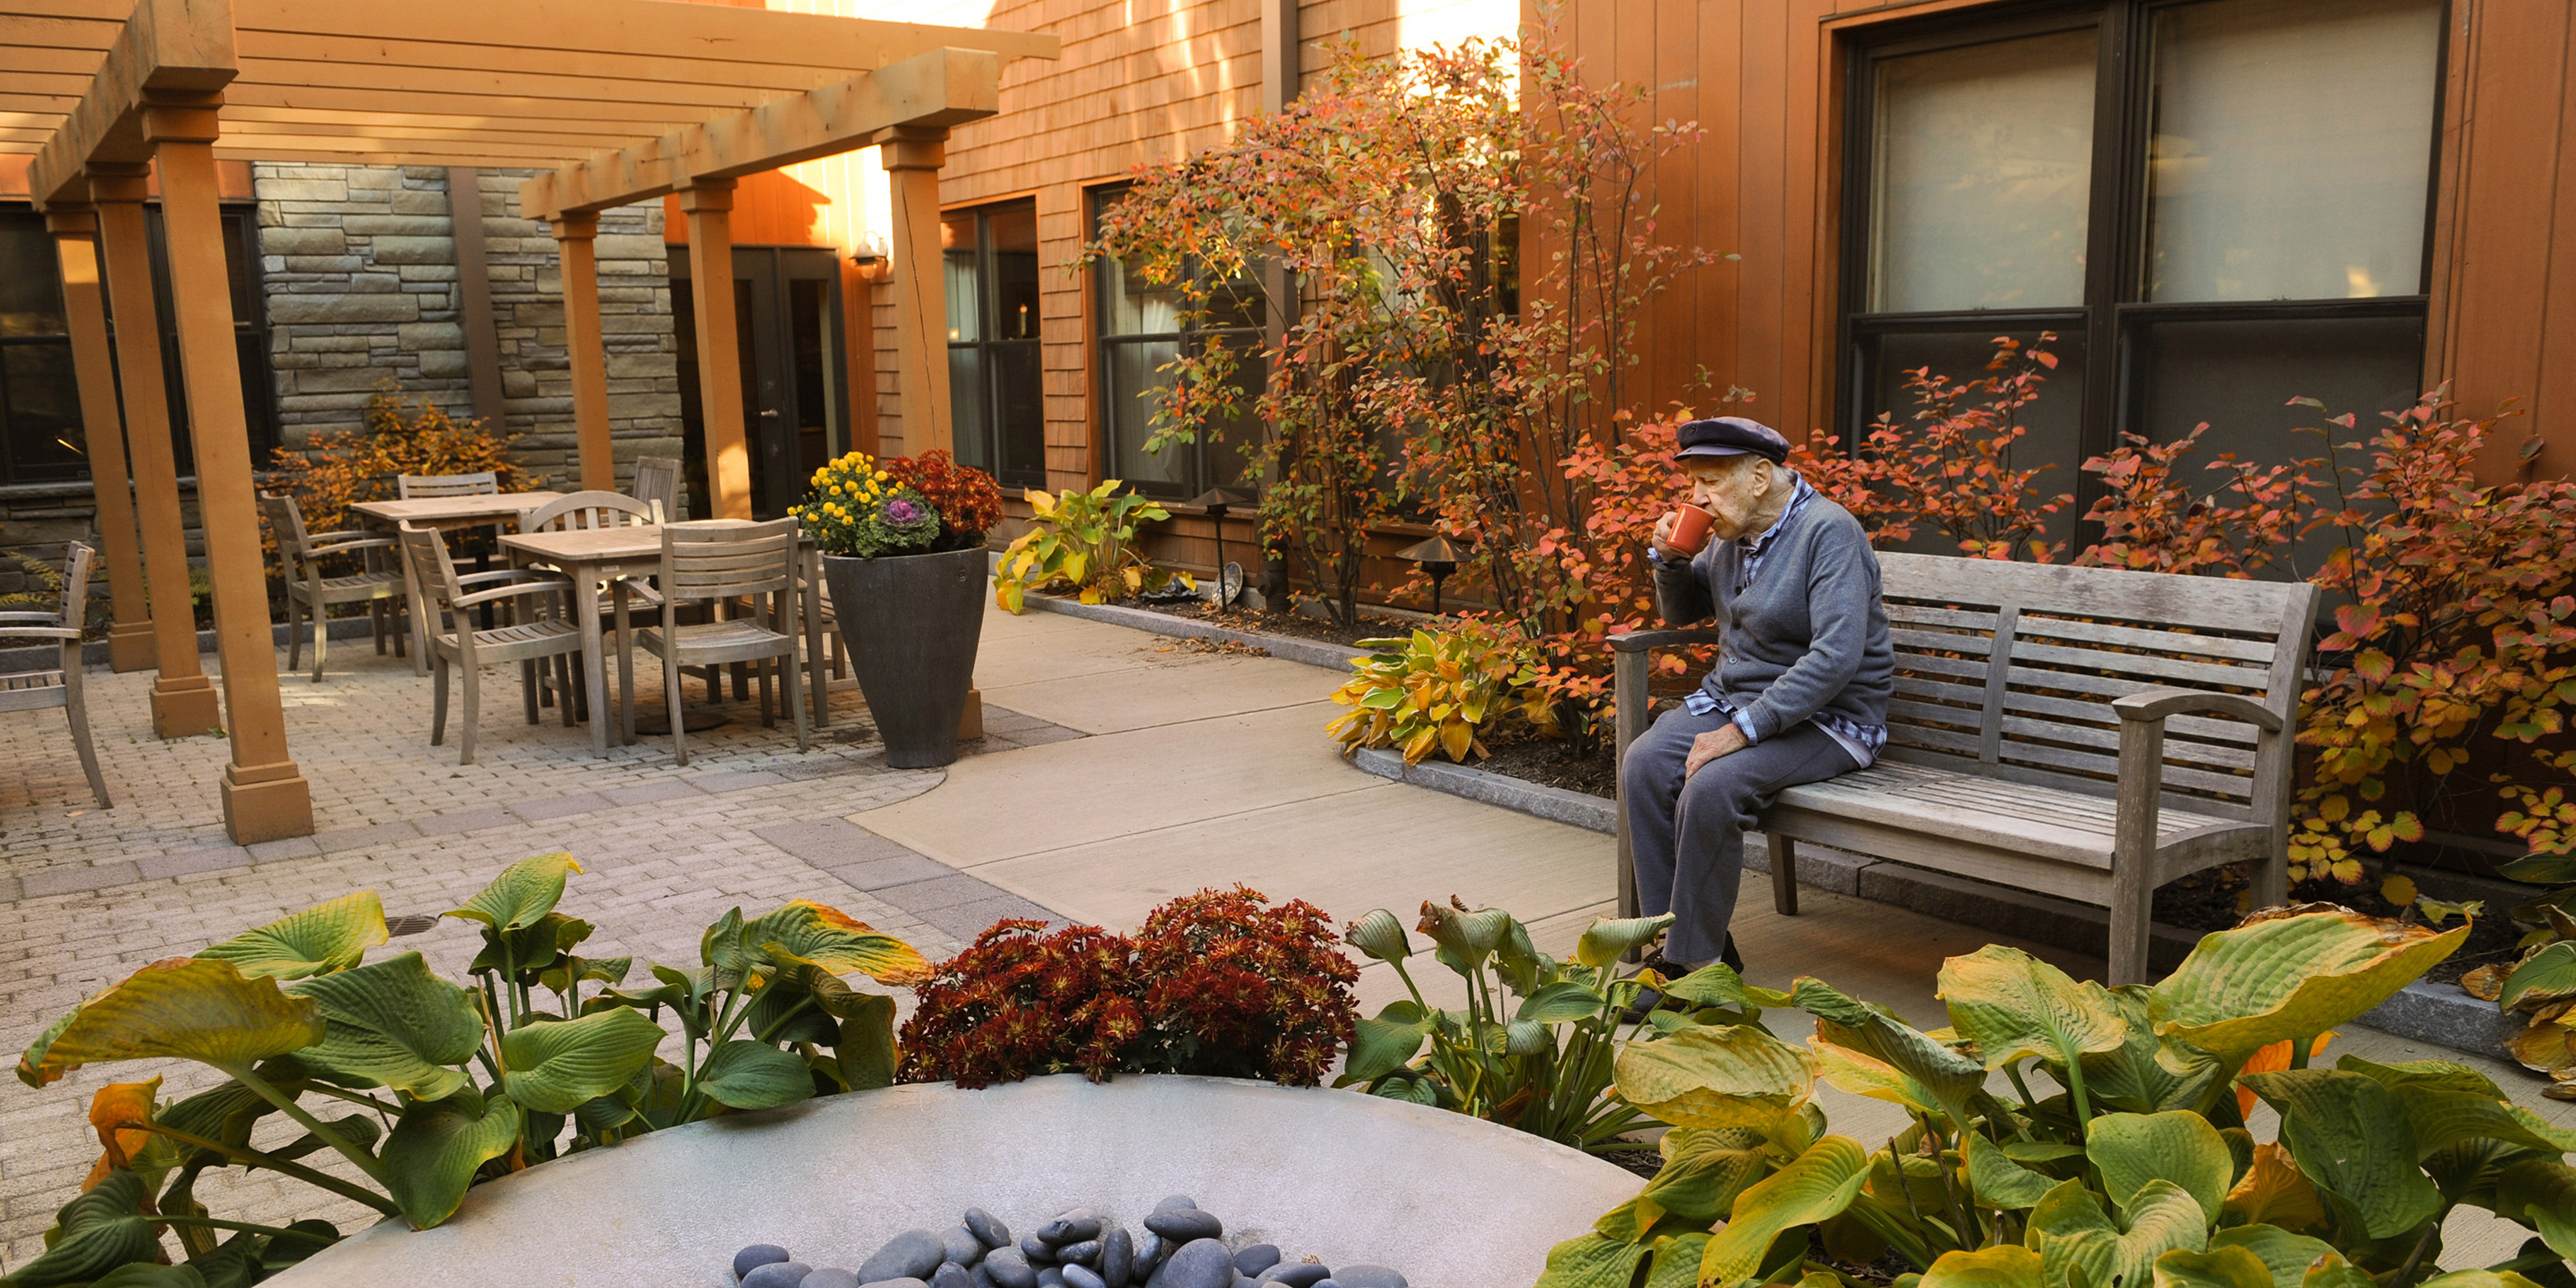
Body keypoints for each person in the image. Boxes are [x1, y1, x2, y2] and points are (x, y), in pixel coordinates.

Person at [1623, 416, 1893, 986]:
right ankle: (1691, 946)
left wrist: (1741, 730)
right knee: (1644, 765)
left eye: (1712, 483)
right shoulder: (1733, 534)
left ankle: (1691, 968)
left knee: (1712, 787)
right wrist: (1670, 561)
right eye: (1694, 485)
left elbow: (1837, 657)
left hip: (1829, 719)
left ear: (1761, 477)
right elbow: (1683, 613)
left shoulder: (1829, 533)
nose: (1699, 498)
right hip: (1739, 700)